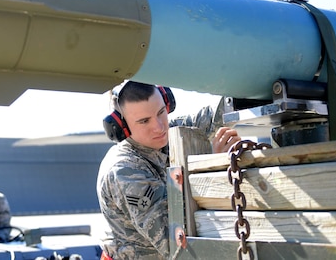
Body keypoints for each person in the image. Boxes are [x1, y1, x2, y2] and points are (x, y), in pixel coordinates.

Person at [96, 81, 240, 259]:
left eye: (161, 112)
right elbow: (175, 242)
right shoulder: (124, 171)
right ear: (122, 128)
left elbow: (214, 116)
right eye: (144, 121)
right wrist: (215, 168)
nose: (159, 127)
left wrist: (248, 94)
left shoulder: (164, 134)